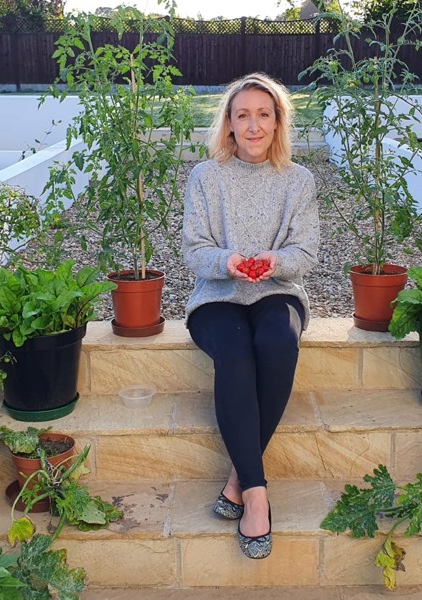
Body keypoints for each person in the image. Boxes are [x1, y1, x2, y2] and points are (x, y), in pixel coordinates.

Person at [182, 72, 319, 560]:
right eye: (244, 115)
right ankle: (256, 492)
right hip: (216, 295)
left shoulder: (299, 180)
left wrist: (273, 262)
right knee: (235, 351)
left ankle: (238, 478)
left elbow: (307, 250)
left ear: (279, 121)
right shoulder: (206, 176)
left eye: (265, 114)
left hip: (278, 289)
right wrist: (229, 262)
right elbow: (193, 250)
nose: (254, 125)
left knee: (278, 343)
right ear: (230, 124)